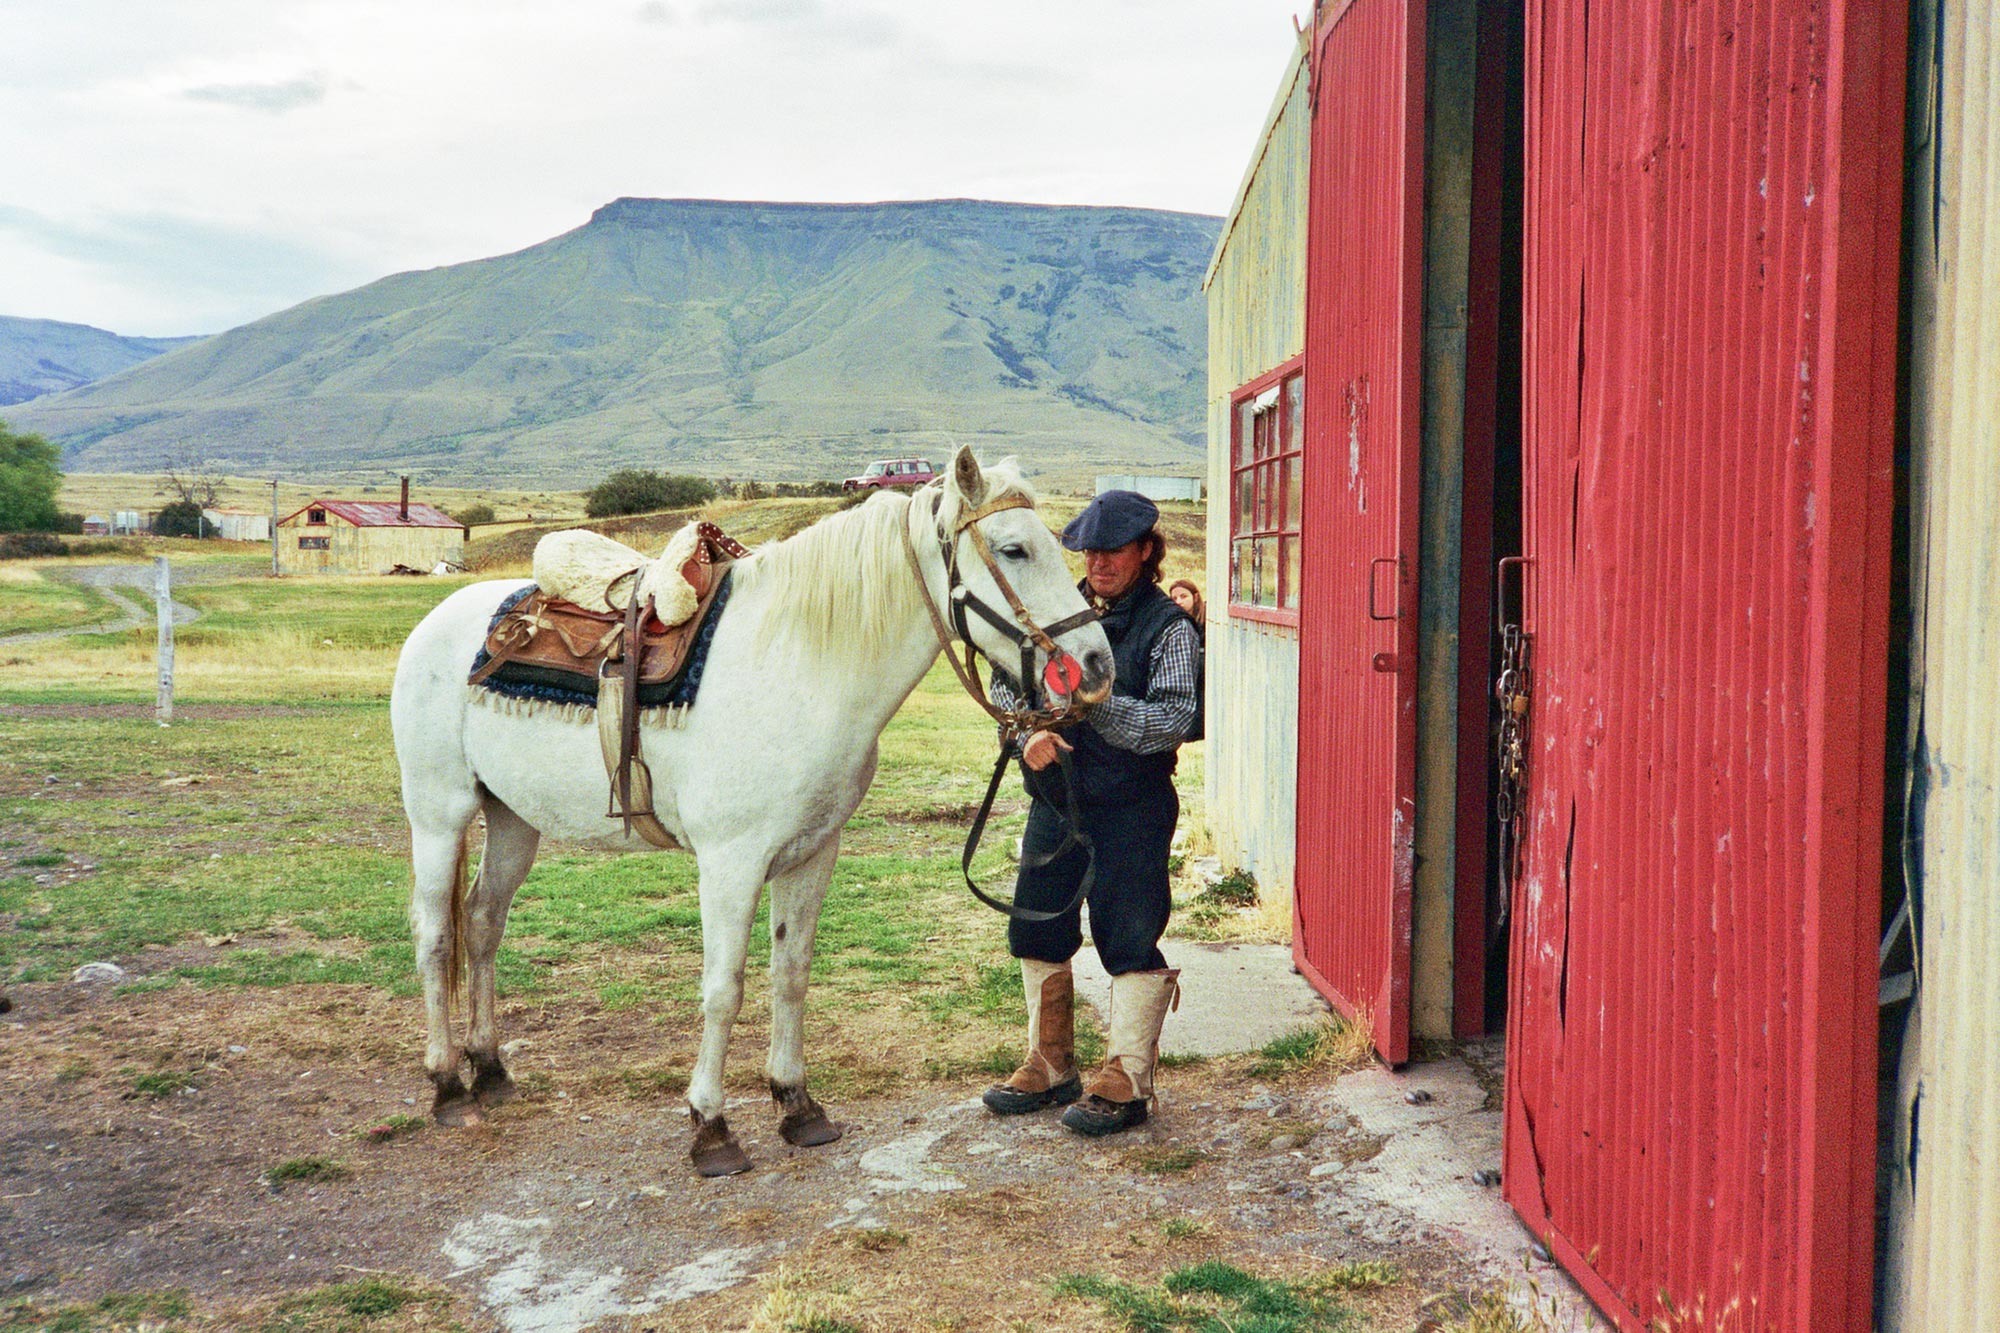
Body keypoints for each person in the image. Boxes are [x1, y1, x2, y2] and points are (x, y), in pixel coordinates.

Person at [980, 490, 1201, 1136]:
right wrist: (1026, 735)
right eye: (1090, 550)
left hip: (1132, 807)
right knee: (1037, 926)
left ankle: (1128, 1078)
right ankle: (1050, 1063)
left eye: (1114, 549)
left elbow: (1172, 719)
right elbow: (1003, 677)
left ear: (1146, 552)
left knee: (1129, 934)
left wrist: (1095, 703)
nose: (1098, 562)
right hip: (1057, 799)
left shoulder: (1170, 628)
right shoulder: (1054, 609)